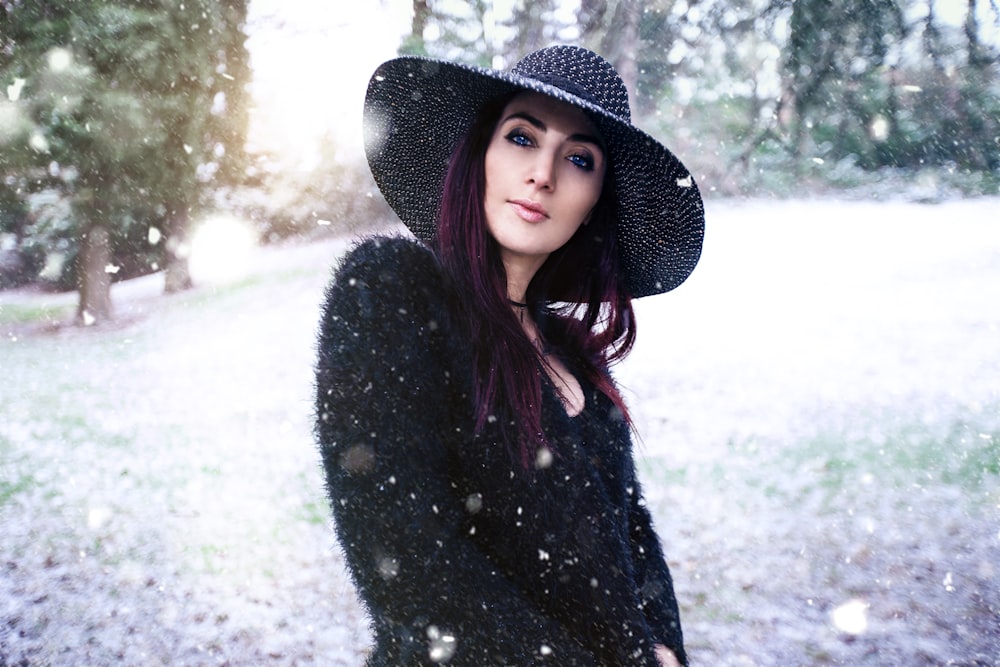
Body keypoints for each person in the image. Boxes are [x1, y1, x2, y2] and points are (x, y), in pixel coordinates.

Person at [315, 45, 704, 666]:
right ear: (480, 155)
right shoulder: (392, 291)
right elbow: (408, 565)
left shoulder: (575, 357)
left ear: (595, 203)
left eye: (579, 158)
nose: (544, 174)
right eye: (522, 137)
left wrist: (662, 645)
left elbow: (631, 535)